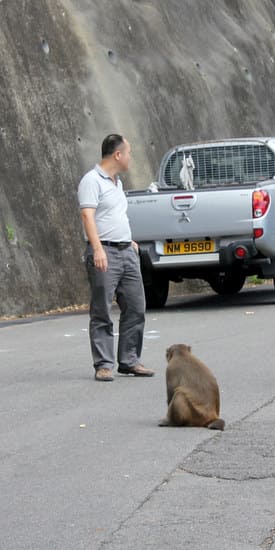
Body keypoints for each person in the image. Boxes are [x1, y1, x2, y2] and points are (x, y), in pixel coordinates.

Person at [77, 134, 155, 382]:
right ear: (117, 155)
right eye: (129, 152)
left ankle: (130, 360)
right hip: (105, 252)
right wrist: (98, 249)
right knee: (102, 309)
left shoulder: (117, 183)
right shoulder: (91, 181)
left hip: (125, 251)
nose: (131, 157)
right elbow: (88, 216)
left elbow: (115, 216)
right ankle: (103, 364)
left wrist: (128, 240)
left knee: (136, 306)